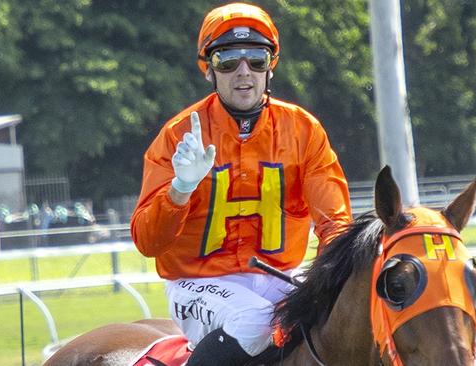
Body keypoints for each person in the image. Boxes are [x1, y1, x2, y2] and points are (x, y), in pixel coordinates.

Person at [130, 3, 352, 365]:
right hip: (193, 281)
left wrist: (337, 281)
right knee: (254, 322)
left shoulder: (304, 131)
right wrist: (180, 190)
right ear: (208, 70)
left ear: (271, 66)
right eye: (228, 61)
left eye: (256, 59)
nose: (243, 72)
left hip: (277, 275)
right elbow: (147, 240)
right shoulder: (177, 136)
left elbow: (335, 225)